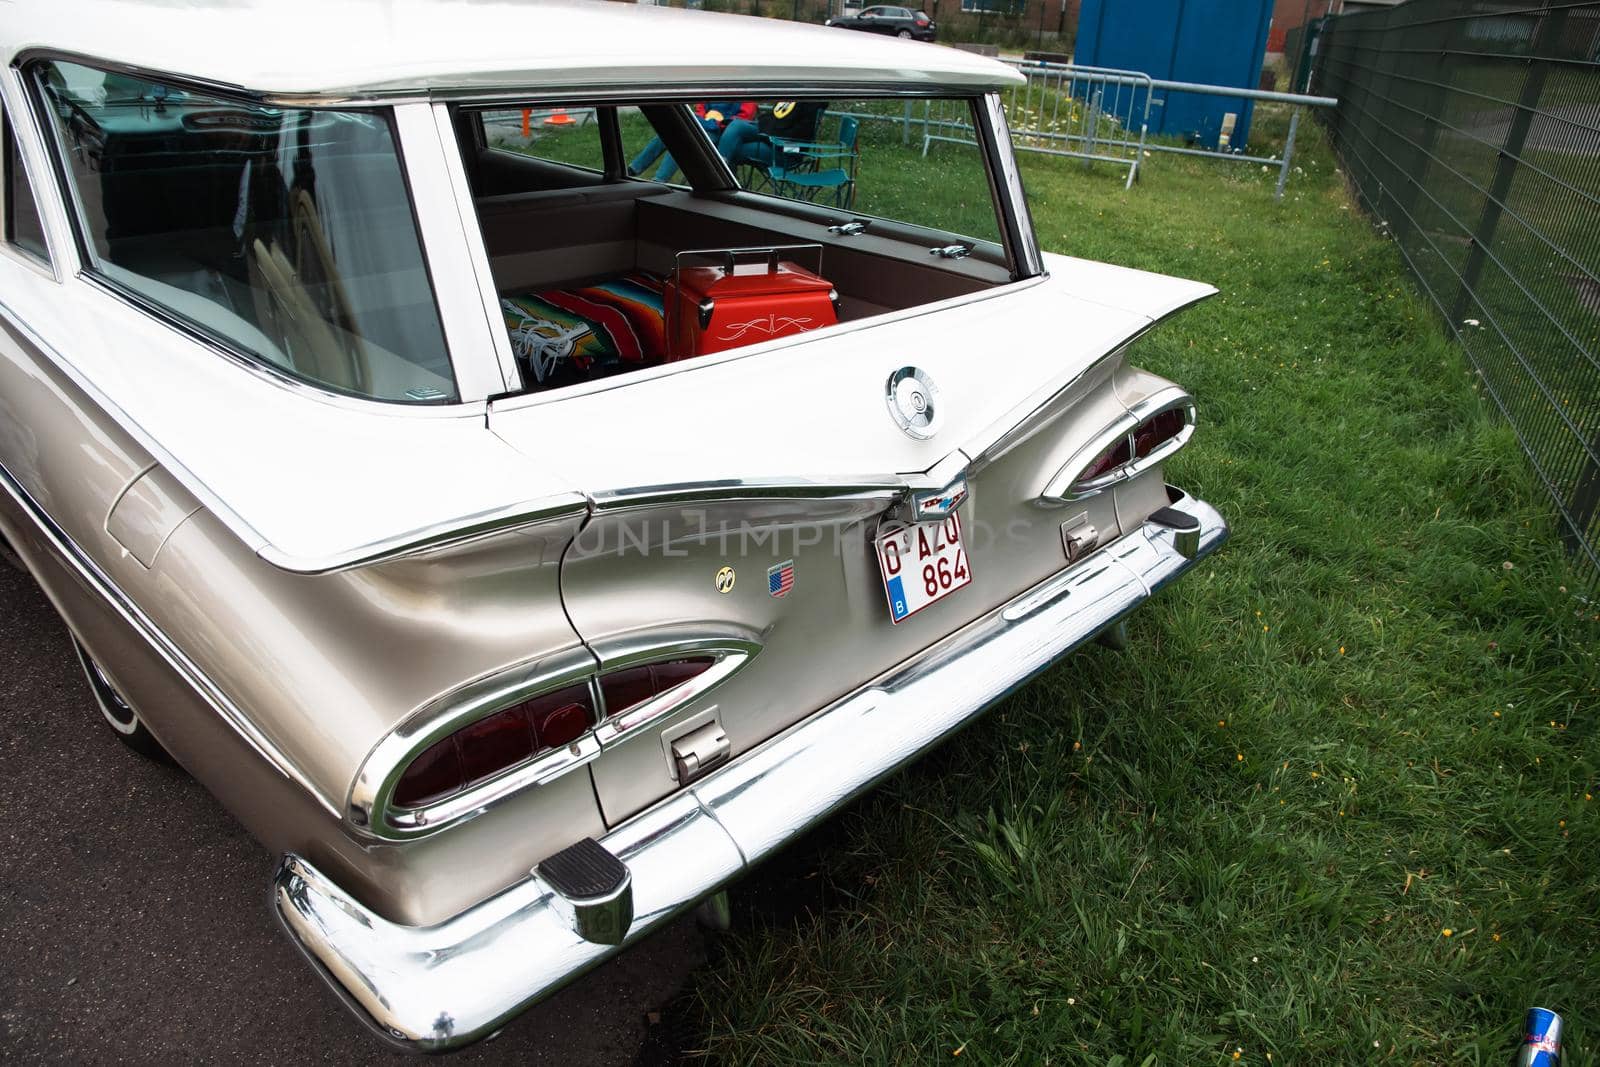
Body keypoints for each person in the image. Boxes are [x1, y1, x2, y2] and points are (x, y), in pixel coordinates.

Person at [629, 101, 757, 183]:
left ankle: (660, 180)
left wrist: (716, 122)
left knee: (682, 137)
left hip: (722, 133)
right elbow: (700, 106)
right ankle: (633, 169)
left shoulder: (744, 89)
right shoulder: (714, 84)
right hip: (703, 124)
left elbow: (743, 119)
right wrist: (703, 118)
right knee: (667, 132)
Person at [716, 100, 830, 175]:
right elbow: (774, 119)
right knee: (736, 125)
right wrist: (767, 132)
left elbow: (800, 135)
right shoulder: (793, 90)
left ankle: (718, 178)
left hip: (787, 151)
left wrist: (769, 135)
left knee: (733, 147)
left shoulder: (813, 101)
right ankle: (720, 175)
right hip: (770, 136)